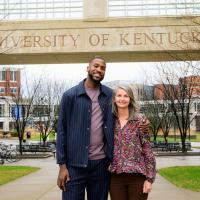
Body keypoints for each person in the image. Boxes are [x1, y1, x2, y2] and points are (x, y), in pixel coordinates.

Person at [56, 56, 150, 200]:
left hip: (101, 165)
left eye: (102, 68)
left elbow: (124, 112)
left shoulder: (109, 95)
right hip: (74, 166)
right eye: (96, 66)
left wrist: (144, 121)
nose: (99, 70)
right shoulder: (70, 96)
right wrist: (62, 166)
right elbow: (62, 131)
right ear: (88, 68)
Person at [108, 85, 156, 200]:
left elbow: (147, 150)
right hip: (115, 177)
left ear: (130, 99)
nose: (122, 99)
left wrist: (149, 179)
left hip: (137, 176)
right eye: (119, 95)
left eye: (126, 96)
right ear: (114, 99)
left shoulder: (140, 120)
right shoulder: (109, 121)